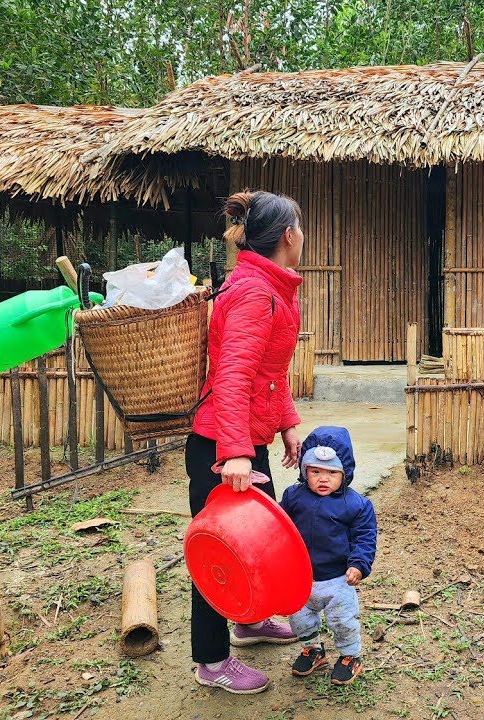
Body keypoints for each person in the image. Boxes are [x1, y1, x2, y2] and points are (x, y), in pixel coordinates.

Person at [186, 190, 305, 694]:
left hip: (243, 439)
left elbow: (268, 375)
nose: (303, 236)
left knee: (254, 545)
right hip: (222, 446)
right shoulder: (257, 293)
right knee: (220, 553)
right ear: (288, 236)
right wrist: (234, 451)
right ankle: (211, 661)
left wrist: (288, 422)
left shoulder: (267, 286)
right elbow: (232, 376)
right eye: (301, 227)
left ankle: (249, 622)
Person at [280, 426, 378, 686]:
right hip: (301, 577)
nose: (323, 479)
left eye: (332, 472)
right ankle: (313, 649)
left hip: (338, 579)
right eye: (315, 471)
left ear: (344, 473)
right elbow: (278, 528)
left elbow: (365, 537)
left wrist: (358, 564)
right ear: (304, 470)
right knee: (300, 619)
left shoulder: (356, 505)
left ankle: (349, 655)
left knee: (342, 621)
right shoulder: (293, 497)